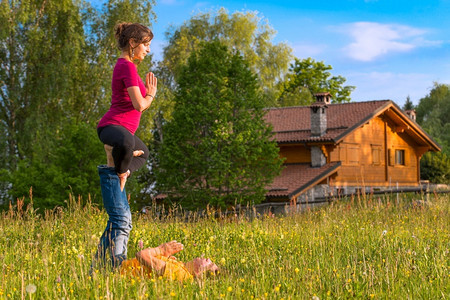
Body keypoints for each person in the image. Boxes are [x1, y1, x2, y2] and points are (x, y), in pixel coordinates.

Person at [94, 22, 157, 270]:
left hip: (124, 131)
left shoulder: (128, 67)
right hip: (112, 127)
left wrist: (129, 158)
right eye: (146, 44)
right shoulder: (127, 67)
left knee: (144, 152)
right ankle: (120, 169)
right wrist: (151, 94)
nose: (148, 50)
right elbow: (140, 104)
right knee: (126, 143)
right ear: (133, 43)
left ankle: (125, 166)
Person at [120, 240, 219, 281]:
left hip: (118, 268)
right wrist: (165, 255)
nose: (208, 259)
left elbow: (141, 255)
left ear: (198, 272)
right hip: (122, 265)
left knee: (121, 222)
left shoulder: (180, 273)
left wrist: (160, 249)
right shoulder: (181, 268)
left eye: (209, 264)